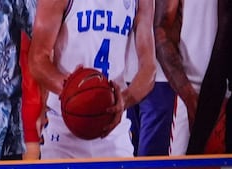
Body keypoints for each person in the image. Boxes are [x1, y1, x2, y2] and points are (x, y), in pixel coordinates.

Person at [31, 0, 154, 160]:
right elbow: (37, 58)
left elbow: (149, 68)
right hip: (64, 129)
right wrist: (72, 91)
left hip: (113, 127)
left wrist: (123, 99)